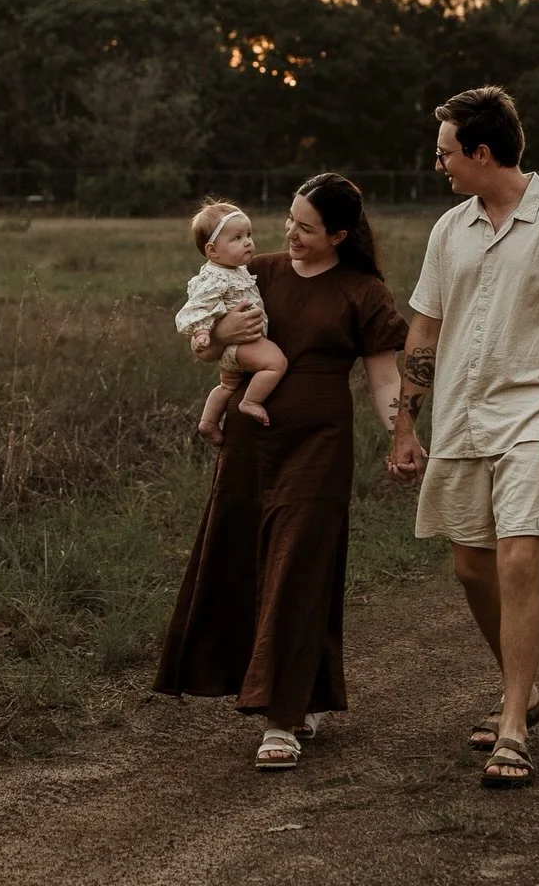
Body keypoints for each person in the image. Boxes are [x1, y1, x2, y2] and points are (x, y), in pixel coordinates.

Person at [388, 86, 539, 791]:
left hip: (534, 411)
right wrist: (405, 424)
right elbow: (423, 330)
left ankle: (513, 725)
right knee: (470, 567)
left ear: (482, 153)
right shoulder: (449, 229)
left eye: (445, 153)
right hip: (461, 413)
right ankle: (526, 686)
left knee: (520, 558)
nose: (439, 165)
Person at [155, 173, 406, 771]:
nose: (289, 233)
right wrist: (218, 333)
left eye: (306, 227)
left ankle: (281, 719)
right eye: (290, 220)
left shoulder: (363, 291)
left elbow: (384, 376)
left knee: (299, 564)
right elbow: (207, 341)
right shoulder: (256, 270)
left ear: (340, 234)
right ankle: (301, 689)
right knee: (249, 560)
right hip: (252, 442)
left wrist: (403, 433)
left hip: (319, 444)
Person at [176, 201, 289, 444]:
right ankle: (250, 401)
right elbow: (200, 305)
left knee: (227, 386)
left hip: (234, 348)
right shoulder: (215, 276)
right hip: (243, 344)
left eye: (249, 235)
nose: (248, 242)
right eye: (237, 238)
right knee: (275, 363)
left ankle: (208, 421)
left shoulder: (236, 269)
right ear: (213, 251)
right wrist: (203, 332)